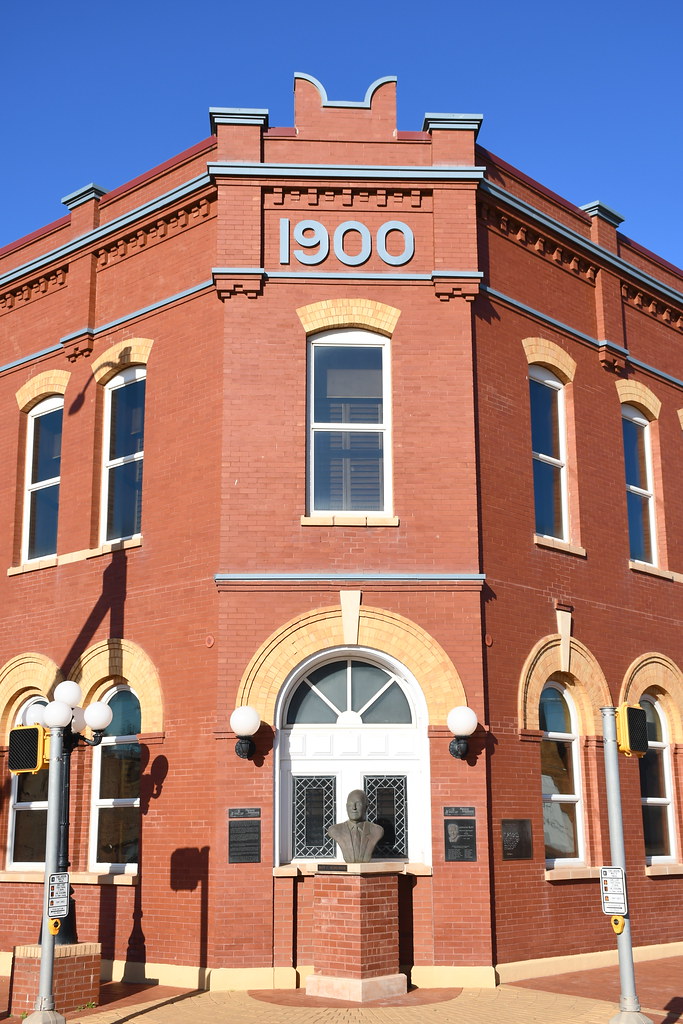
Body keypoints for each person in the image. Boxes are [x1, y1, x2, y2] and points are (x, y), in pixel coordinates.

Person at [327, 789, 384, 863]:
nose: (354, 808)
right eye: (350, 804)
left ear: (366, 807)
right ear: (346, 807)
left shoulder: (376, 831)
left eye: (358, 804)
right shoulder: (335, 830)